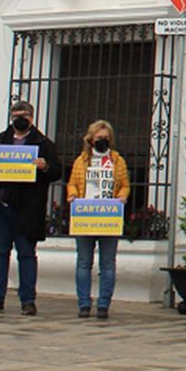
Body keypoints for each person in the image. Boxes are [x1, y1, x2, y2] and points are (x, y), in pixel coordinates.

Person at [0, 101, 62, 315]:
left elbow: (57, 172)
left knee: (26, 254)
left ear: (32, 118)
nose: (20, 119)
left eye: (24, 115)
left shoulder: (43, 144)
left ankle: (28, 299)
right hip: (1, 207)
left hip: (28, 208)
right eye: (16, 115)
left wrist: (45, 166)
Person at [66, 120, 131, 319]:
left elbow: (125, 185)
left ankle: (103, 304)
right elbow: (72, 183)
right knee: (83, 262)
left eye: (105, 138)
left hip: (108, 216)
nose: (102, 140)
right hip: (85, 216)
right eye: (98, 138)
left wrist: (122, 196)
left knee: (108, 264)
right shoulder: (81, 161)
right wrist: (72, 195)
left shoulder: (118, 161)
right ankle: (84, 303)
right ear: (90, 139)